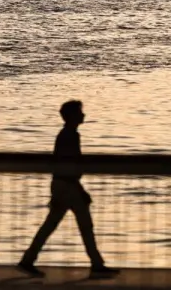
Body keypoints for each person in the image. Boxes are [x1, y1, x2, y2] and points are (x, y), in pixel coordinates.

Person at [18, 100, 118, 279]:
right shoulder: (70, 136)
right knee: (84, 225)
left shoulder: (67, 134)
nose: (83, 115)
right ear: (72, 116)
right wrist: (78, 188)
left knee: (52, 225)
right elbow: (69, 164)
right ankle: (96, 264)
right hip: (68, 185)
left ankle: (28, 259)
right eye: (80, 112)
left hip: (63, 184)